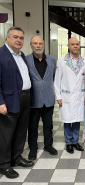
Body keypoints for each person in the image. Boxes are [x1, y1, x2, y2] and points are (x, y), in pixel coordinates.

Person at [0, 27, 34, 179]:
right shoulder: (1, 55)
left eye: (21, 37)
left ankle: (17, 157)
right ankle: (4, 164)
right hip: (9, 100)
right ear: (7, 38)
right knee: (6, 134)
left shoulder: (21, 56)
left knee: (21, 130)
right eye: (15, 37)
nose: (19, 40)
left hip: (25, 98)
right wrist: (0, 102)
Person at [54, 37, 85, 154]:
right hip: (66, 96)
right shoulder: (62, 61)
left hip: (80, 95)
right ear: (68, 46)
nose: (75, 46)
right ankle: (69, 143)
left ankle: (75, 141)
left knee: (77, 120)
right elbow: (57, 80)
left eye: (77, 44)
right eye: (72, 44)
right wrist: (58, 96)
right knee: (68, 120)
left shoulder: (84, 61)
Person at [26, 36, 58, 160]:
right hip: (33, 100)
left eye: (40, 43)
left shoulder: (51, 60)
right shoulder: (26, 59)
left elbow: (53, 77)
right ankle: (33, 148)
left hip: (48, 99)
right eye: (35, 43)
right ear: (31, 45)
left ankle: (48, 145)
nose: (38, 46)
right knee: (33, 126)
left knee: (48, 125)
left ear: (43, 45)